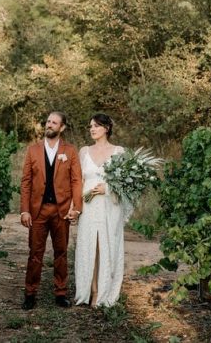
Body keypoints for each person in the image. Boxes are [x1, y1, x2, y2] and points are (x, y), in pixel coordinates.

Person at [20, 111, 83, 310]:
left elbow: (76, 181)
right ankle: (30, 293)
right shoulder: (32, 150)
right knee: (35, 253)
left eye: (54, 123)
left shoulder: (70, 151)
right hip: (38, 211)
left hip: (61, 210)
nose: (49, 125)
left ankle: (61, 293)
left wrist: (77, 208)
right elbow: (26, 182)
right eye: (48, 121)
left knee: (61, 253)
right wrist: (24, 210)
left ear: (62, 127)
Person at [74, 113, 125, 307]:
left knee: (106, 245)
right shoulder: (84, 151)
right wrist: (75, 208)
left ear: (107, 128)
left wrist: (107, 188)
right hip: (89, 205)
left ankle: (105, 290)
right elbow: (79, 182)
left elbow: (125, 184)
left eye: (96, 126)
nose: (92, 129)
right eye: (90, 126)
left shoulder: (119, 151)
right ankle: (92, 290)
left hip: (109, 205)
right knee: (90, 246)